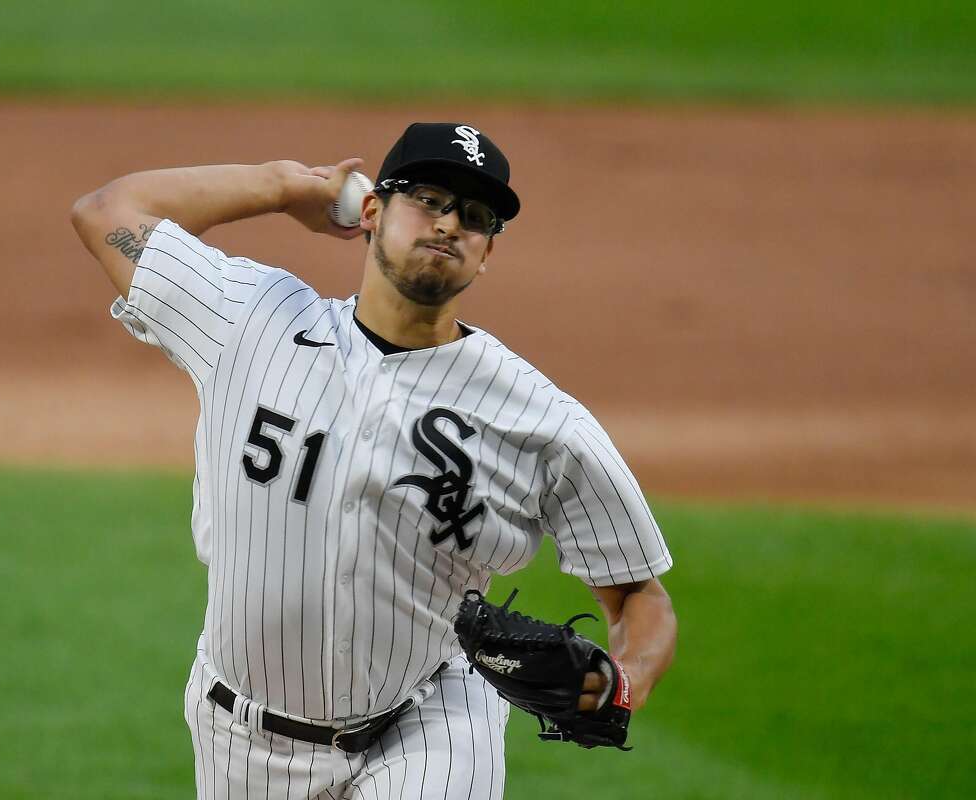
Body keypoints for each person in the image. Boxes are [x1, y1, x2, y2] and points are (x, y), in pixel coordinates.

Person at [70, 122, 677, 799]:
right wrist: (283, 185)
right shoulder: (248, 319)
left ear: (486, 254)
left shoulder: (541, 420)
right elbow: (107, 213)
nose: (449, 223)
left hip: (429, 724)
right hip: (239, 736)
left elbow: (640, 597)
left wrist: (627, 678)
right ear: (371, 212)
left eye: (474, 216)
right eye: (427, 198)